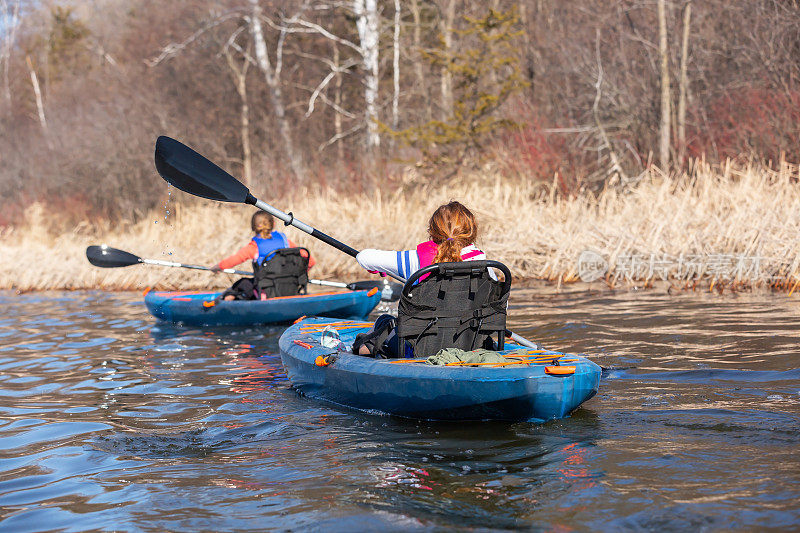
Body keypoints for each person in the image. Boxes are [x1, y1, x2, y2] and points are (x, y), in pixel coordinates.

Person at [353, 201, 491, 356]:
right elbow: (498, 309)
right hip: (470, 348)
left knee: (383, 322)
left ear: (432, 231)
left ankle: (363, 355)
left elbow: (364, 257)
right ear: (472, 231)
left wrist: (382, 267)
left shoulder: (415, 260)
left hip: (419, 351)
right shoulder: (486, 265)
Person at [211, 211, 315, 300]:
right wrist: (297, 275)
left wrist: (218, 267)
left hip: (266, 292)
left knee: (242, 283)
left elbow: (234, 260)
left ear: (253, 227)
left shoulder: (254, 246)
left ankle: (228, 300)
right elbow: (311, 261)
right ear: (273, 224)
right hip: (291, 289)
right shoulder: (286, 242)